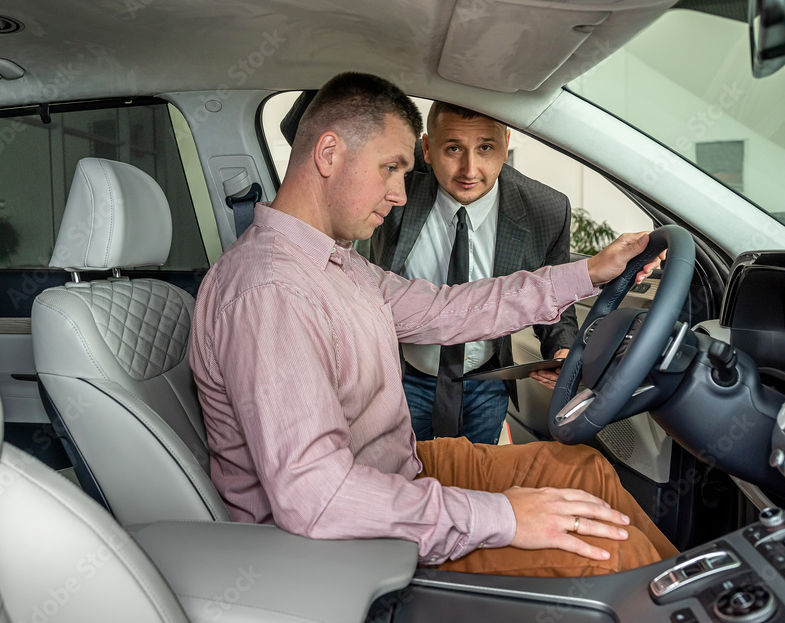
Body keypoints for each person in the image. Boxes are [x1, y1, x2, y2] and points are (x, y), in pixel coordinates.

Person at [190, 72, 677, 577]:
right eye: (390, 169)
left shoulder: (335, 263)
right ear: (329, 153)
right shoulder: (271, 293)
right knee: (604, 550)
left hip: (402, 469)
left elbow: (450, 308)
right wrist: (503, 517)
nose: (401, 195)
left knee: (584, 472)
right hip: (353, 544)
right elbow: (319, 497)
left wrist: (590, 272)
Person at [370, 102, 576, 444]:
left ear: (506, 143)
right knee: (403, 481)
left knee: (478, 485)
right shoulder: (393, 183)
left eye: (485, 148)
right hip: (401, 374)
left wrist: (563, 351)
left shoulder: (546, 210)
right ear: (427, 148)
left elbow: (556, 299)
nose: (470, 169)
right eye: (453, 148)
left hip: (486, 380)